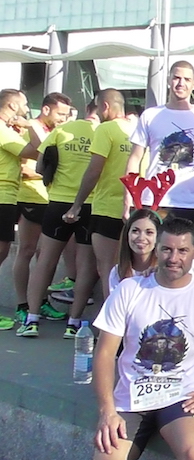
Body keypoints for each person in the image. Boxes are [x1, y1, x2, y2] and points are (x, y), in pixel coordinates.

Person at [89, 216, 194, 460]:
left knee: (193, 454)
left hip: (182, 398)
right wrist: (107, 410)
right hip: (131, 399)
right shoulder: (130, 289)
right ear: (157, 249)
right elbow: (105, 353)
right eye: (167, 249)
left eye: (183, 250)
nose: (174, 258)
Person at [18, 103, 100, 339]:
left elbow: (41, 166)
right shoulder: (103, 134)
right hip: (90, 203)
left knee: (46, 260)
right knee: (86, 264)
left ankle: (32, 319)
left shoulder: (61, 131)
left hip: (58, 202)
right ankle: (74, 324)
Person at [125, 60, 194, 233]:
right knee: (151, 255)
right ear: (169, 80)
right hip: (154, 200)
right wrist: (129, 197)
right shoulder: (150, 115)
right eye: (176, 78)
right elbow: (135, 158)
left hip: (190, 203)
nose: (181, 83)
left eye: (186, 79)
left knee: (185, 255)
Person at [63, 89, 135, 299]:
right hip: (134, 208)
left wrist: (77, 204)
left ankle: (111, 325)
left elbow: (94, 169)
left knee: (107, 271)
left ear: (104, 106)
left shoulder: (106, 129)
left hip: (106, 209)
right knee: (128, 270)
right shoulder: (138, 129)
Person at [13, 92, 73, 325]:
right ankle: (22, 305)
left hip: (49, 197)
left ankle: (40, 302)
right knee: (26, 250)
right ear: (46, 110)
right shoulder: (32, 128)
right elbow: (34, 161)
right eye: (60, 114)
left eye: (67, 115)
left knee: (43, 254)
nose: (63, 119)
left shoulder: (51, 130)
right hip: (30, 197)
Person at [0, 89, 43, 330]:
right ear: (12, 107)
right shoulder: (2, 129)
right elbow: (34, 150)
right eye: (24, 105)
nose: (27, 110)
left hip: (8, 195)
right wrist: (30, 126)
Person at [108, 209, 161, 293]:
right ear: (127, 234)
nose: (141, 238)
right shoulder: (117, 272)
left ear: (159, 237)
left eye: (149, 232)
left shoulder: (166, 269)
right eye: (135, 231)